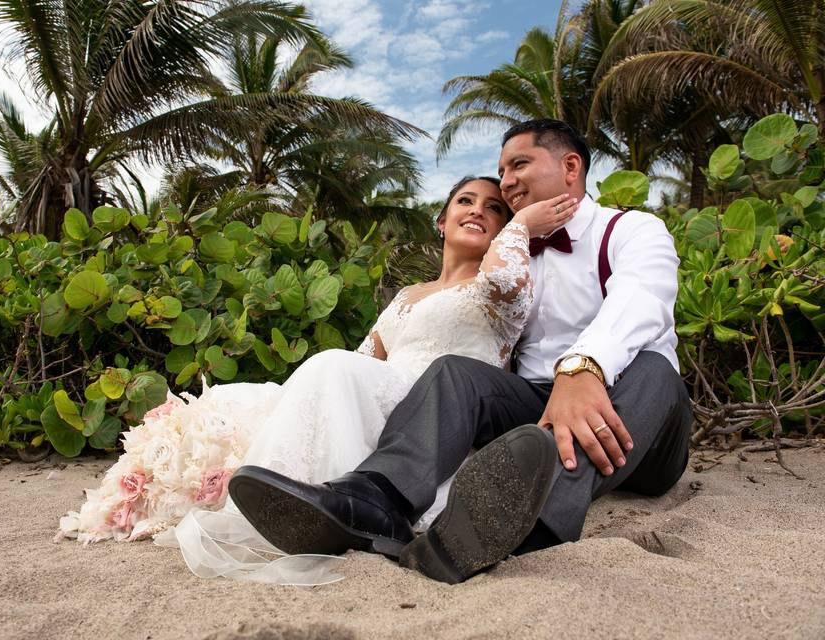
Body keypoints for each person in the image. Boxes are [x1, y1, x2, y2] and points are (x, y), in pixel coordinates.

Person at [229, 119, 694, 585]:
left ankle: (526, 527)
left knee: (654, 368)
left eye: (518, 165)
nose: (506, 180)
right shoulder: (510, 254)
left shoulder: (630, 229)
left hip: (639, 421)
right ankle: (375, 500)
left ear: (570, 166)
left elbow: (643, 299)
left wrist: (582, 368)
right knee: (454, 372)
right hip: (540, 410)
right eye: (501, 169)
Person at [59, 175, 577, 585]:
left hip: (438, 416)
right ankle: (305, 502)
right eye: (467, 201)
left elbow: (509, 276)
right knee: (262, 396)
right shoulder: (405, 296)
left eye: (495, 209)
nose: (481, 212)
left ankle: (340, 506)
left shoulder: (499, 291)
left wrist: (523, 224)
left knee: (332, 366)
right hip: (379, 399)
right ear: (441, 222)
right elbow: (363, 359)